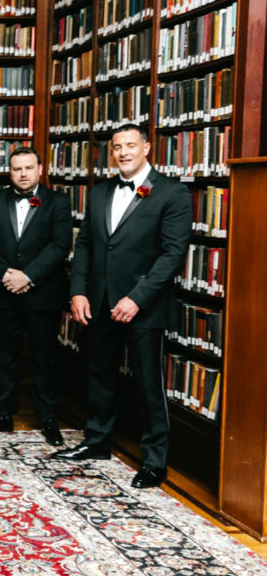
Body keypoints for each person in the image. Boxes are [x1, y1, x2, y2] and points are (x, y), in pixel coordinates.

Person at [55, 124, 192, 489]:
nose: (124, 152)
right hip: (98, 302)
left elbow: (173, 254)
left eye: (131, 145)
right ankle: (97, 442)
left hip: (143, 306)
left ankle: (154, 461)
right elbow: (84, 244)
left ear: (147, 147)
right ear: (111, 152)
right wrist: (78, 291)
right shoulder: (99, 193)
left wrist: (137, 297)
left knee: (149, 384)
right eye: (117, 147)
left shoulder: (172, 193)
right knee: (98, 376)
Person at [0, 146, 72, 446]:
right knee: (4, 355)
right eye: (17, 169)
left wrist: (27, 276)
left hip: (42, 293)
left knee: (45, 357)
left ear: (40, 169)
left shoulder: (58, 202)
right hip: (2, 292)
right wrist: (6, 274)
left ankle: (48, 417)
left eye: (29, 168)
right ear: (10, 171)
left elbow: (59, 245)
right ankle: (4, 412)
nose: (23, 174)